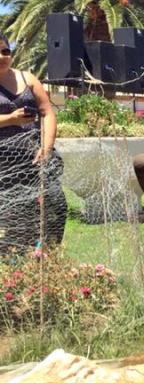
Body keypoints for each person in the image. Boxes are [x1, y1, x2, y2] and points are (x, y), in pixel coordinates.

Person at [0, 32, 65, 253]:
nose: (2, 56)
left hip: (35, 156)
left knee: (57, 204)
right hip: (4, 163)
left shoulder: (28, 78)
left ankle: (49, 256)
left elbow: (47, 113)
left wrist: (45, 149)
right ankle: (15, 265)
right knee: (15, 214)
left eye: (5, 51)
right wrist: (11, 119)